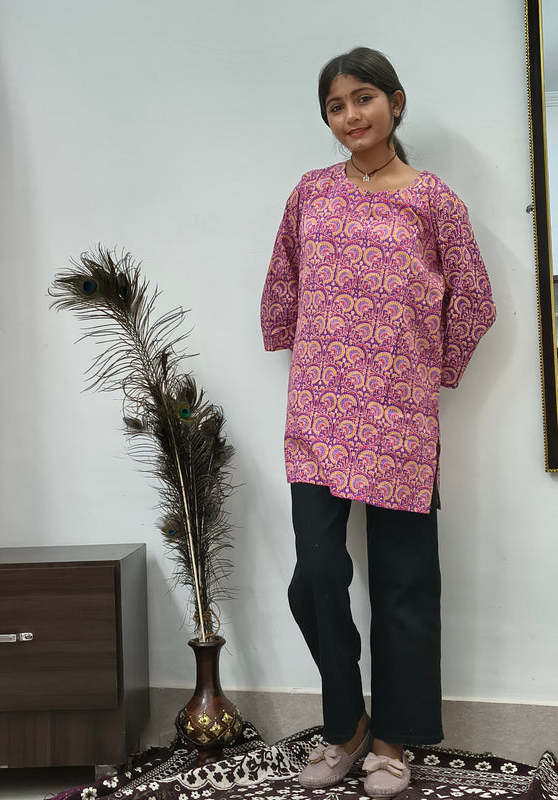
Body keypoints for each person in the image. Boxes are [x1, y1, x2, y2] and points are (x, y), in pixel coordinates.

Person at [260, 47, 495, 798]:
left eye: (363, 98)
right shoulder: (310, 194)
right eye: (335, 106)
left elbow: (474, 301)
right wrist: (304, 344)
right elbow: (283, 286)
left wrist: (429, 374)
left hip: (399, 416)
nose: (350, 116)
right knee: (317, 575)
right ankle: (346, 725)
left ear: (395, 101)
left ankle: (393, 739)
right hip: (320, 413)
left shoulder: (434, 201)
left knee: (404, 583)